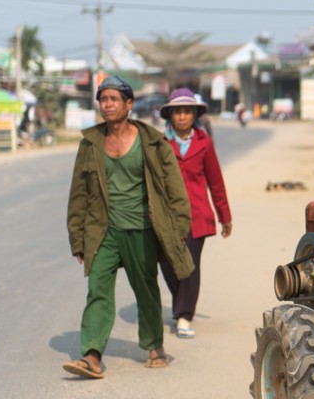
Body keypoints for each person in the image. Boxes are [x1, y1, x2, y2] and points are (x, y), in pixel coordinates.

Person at [64, 75, 194, 378]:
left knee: (146, 288)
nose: (107, 105)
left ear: (129, 104)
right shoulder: (91, 143)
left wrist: (179, 231)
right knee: (97, 289)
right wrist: (77, 238)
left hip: (142, 229)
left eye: (113, 99)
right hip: (103, 232)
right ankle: (92, 355)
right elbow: (78, 194)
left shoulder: (152, 142)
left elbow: (175, 189)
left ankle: (153, 346)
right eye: (103, 100)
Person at [158, 88, 232, 339]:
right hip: (166, 217)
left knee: (189, 266)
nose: (181, 117)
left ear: (194, 115)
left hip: (197, 215)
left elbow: (216, 182)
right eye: (177, 112)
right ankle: (181, 302)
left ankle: (184, 316)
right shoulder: (160, 144)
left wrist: (225, 216)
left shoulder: (204, 143)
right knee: (167, 263)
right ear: (170, 116)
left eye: (186, 112)